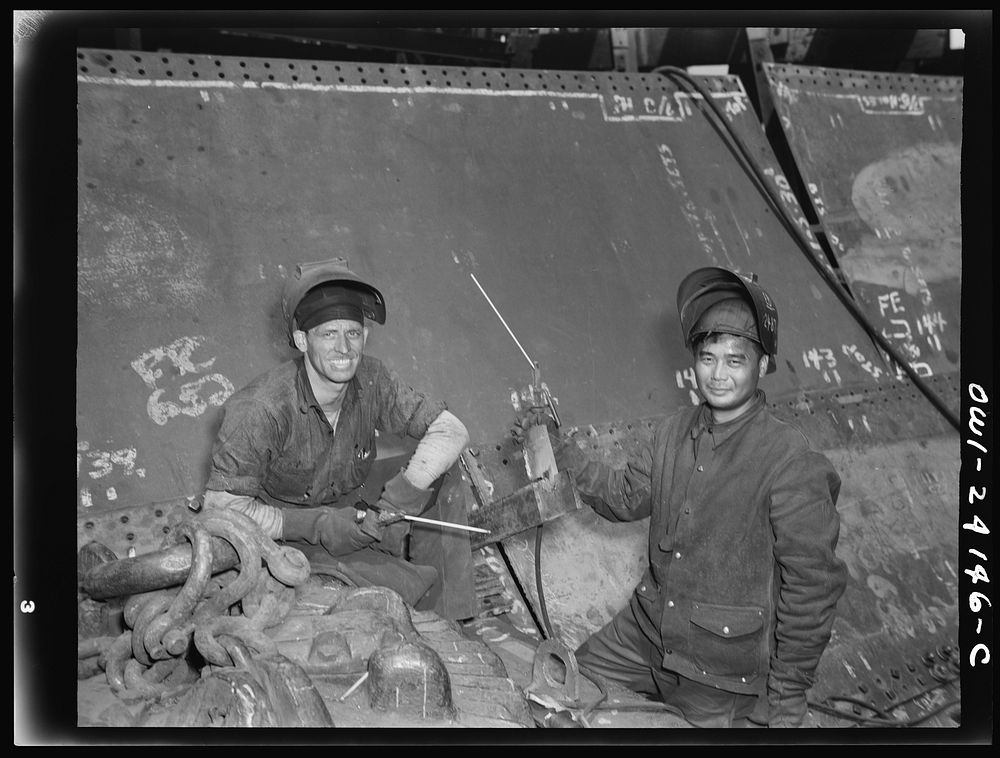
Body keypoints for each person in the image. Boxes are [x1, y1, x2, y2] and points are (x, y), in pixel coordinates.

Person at [520, 266, 847, 727]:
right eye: (707, 358)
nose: (717, 374)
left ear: (763, 366)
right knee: (558, 692)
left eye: (734, 361)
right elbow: (623, 496)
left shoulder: (789, 459)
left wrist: (788, 692)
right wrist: (563, 450)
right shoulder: (673, 431)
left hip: (720, 671)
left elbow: (814, 586)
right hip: (645, 633)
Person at [202, 258, 476, 620]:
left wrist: (396, 503)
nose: (344, 348)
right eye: (328, 334)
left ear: (366, 336)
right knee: (378, 595)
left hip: (356, 497)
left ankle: (452, 623)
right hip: (290, 523)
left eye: (352, 332)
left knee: (446, 475)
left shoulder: (373, 377)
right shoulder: (260, 409)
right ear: (302, 340)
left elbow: (450, 430)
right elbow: (220, 511)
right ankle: (396, 595)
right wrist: (316, 525)